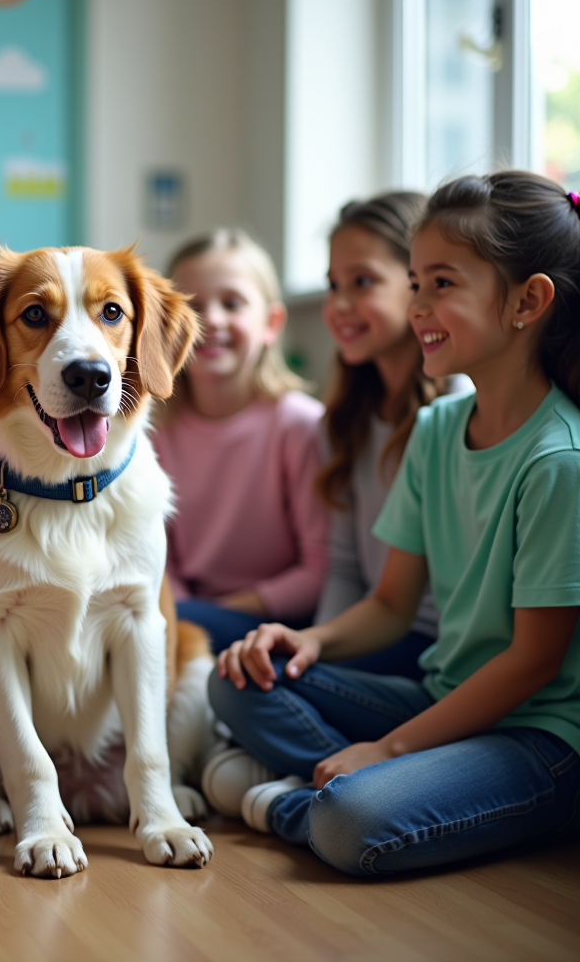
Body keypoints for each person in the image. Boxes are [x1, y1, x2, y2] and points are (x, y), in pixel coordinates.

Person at [204, 172, 580, 876]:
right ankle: (355, 782)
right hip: (443, 697)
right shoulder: (436, 430)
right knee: (235, 679)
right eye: (413, 283)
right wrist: (307, 638)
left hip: (541, 736)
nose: (419, 306)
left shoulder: (559, 459)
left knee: (355, 822)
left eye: (442, 283)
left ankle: (296, 802)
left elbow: (533, 664)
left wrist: (391, 750)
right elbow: (389, 605)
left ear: (527, 301)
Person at [152, 230, 329, 655]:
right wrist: (186, 609)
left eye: (232, 303)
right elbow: (158, 558)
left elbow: (319, 568)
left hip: (278, 621)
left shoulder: (299, 425)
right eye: (192, 306)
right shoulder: (155, 432)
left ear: (271, 324)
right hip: (184, 610)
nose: (211, 320)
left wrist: (217, 612)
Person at [315, 192, 453, 680]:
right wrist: (315, 655)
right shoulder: (344, 421)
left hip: (438, 649)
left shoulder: (458, 409)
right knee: (249, 676)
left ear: (417, 285)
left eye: (363, 282)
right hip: (369, 634)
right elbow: (346, 569)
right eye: (333, 285)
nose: (340, 305)